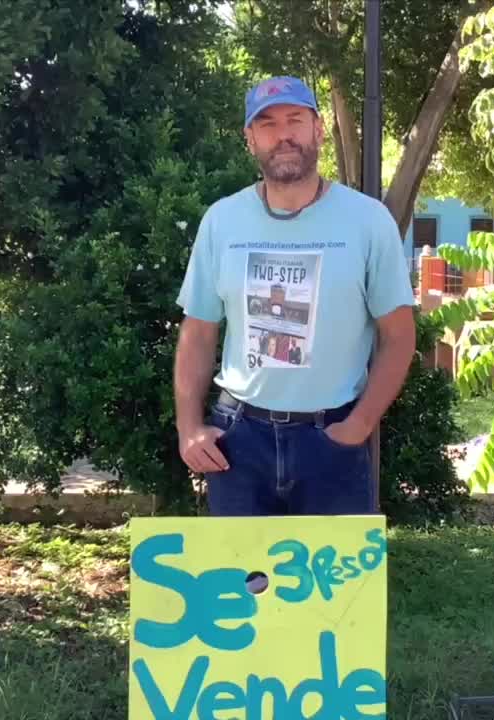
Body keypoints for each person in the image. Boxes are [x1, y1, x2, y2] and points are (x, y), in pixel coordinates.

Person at [173, 75, 416, 516]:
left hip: (332, 440)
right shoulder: (221, 220)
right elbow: (199, 332)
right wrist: (189, 427)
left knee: (337, 587)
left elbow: (398, 335)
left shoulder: (368, 221)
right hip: (238, 442)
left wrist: (359, 424)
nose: (282, 134)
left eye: (294, 120)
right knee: (244, 582)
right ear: (250, 140)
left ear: (318, 129)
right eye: (266, 124)